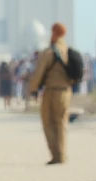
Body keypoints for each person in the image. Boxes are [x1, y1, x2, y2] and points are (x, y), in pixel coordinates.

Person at [28, 22, 73, 164]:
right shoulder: (68, 51)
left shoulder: (49, 52)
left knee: (48, 123)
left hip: (52, 91)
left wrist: (33, 89)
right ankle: (62, 154)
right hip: (66, 92)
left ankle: (56, 155)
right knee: (62, 123)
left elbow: (39, 73)